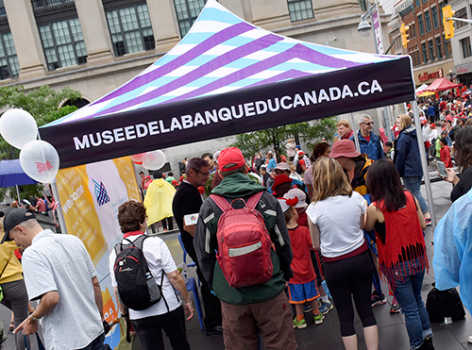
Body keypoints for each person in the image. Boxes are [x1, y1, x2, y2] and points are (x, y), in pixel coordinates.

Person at [194, 147, 296, 350]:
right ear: (246, 168)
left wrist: (217, 285)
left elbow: (204, 254)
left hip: (232, 295)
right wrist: (283, 274)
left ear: (220, 173)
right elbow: (284, 245)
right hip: (270, 288)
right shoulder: (266, 199)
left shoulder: (209, 206)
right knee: (280, 344)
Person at [4, 209, 105, 350]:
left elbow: (51, 298)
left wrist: (33, 319)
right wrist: (98, 316)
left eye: (14, 238)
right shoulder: (73, 240)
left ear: (20, 230)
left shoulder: (32, 254)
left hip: (66, 340)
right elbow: (95, 283)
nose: (16, 244)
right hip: (94, 330)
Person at [307, 157, 378, 350]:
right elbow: (362, 226)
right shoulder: (356, 198)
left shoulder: (313, 209)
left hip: (334, 265)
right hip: (361, 258)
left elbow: (315, 243)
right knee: (366, 312)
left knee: (345, 317)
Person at [365, 159, 432, 350]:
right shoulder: (410, 197)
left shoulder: (375, 208)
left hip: (396, 264)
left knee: (409, 309)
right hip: (417, 258)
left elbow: (368, 226)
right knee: (418, 299)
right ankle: (426, 333)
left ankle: (416, 344)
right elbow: (422, 225)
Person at [109, 201, 193, 350]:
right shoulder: (155, 243)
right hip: (167, 307)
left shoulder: (115, 252)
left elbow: (117, 290)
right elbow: (174, 276)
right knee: (180, 344)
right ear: (141, 221)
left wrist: (125, 316)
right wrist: (187, 300)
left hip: (138, 314)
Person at [172, 158, 223, 336]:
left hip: (198, 244)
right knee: (210, 281)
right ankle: (213, 322)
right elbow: (190, 226)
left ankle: (215, 319)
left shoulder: (189, 190)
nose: (207, 177)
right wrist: (208, 243)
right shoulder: (187, 194)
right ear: (191, 172)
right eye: (204, 173)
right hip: (199, 245)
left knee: (209, 279)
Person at [278, 197, 323, 329]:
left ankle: (300, 319)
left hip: (293, 274)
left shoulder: (282, 235)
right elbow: (314, 245)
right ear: (293, 212)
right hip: (308, 270)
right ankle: (317, 314)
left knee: (296, 299)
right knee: (313, 295)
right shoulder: (304, 230)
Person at [0, 218, 34, 350]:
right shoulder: (5, 240)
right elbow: (22, 240)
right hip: (14, 283)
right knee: (22, 322)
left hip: (1, 290)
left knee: (18, 317)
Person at [394, 114, 432, 225]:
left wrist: (397, 171)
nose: (396, 125)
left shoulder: (404, 136)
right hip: (417, 167)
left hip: (409, 169)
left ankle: (427, 214)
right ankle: (423, 214)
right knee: (416, 191)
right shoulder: (415, 134)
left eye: (398, 122)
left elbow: (400, 154)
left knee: (414, 192)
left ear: (403, 123)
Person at [443, 127, 472, 202]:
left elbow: (466, 201)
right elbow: (467, 190)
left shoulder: (469, 173)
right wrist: (455, 180)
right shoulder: (468, 173)